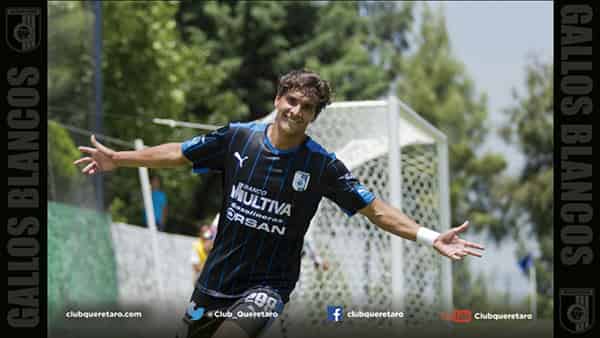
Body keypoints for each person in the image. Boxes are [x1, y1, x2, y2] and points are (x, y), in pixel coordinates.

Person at [74, 69, 484, 338]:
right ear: (277, 100)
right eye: (291, 101)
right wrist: (119, 159)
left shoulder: (322, 166)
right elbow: (178, 153)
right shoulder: (238, 138)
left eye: (307, 107)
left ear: (314, 116)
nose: (296, 111)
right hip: (216, 282)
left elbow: (374, 208)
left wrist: (430, 237)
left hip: (267, 286)